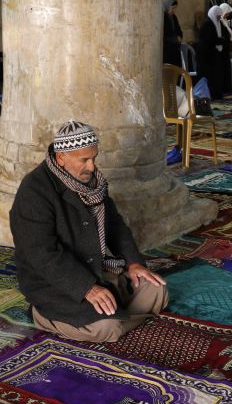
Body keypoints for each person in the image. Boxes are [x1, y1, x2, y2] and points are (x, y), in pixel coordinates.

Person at [10, 119, 168, 343]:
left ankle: (114, 312)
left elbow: (114, 225)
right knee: (106, 328)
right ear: (61, 158)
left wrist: (133, 263)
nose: (92, 167)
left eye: (93, 158)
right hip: (56, 283)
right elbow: (41, 254)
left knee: (157, 289)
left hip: (98, 268)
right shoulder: (34, 191)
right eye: (84, 160)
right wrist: (86, 288)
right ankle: (46, 315)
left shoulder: (93, 183)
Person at [197, 2, 232, 100]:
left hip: (214, 55)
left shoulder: (217, 24)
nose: (219, 18)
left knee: (216, 76)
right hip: (207, 57)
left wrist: (221, 40)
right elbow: (209, 40)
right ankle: (209, 95)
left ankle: (216, 94)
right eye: (218, 16)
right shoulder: (207, 24)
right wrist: (220, 40)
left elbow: (220, 36)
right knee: (210, 77)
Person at [163, 0, 183, 67]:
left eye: (175, 8)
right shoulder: (163, 17)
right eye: (173, 8)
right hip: (166, 49)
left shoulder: (174, 17)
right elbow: (164, 34)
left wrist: (179, 37)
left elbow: (179, 30)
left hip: (174, 48)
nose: (174, 10)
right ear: (167, 6)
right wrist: (175, 38)